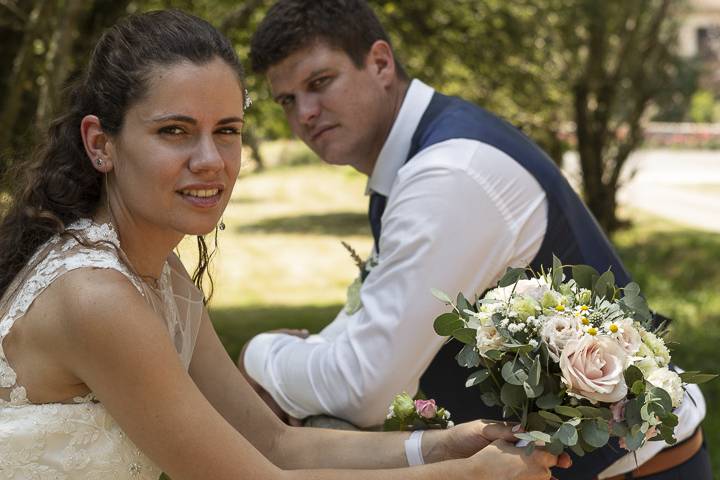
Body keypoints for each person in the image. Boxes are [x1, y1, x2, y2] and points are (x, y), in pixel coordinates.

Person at [0, 9, 571, 480]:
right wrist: (468, 478)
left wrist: (445, 446)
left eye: (226, 130)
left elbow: (274, 442)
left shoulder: (158, 274)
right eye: (173, 131)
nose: (209, 161)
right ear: (101, 143)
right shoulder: (96, 297)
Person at [239, 1, 711, 479]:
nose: (306, 114)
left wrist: (259, 353)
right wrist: (308, 353)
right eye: (287, 100)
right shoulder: (425, 156)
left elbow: (363, 389)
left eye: (320, 83)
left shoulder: (450, 174)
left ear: (380, 63)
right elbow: (367, 336)